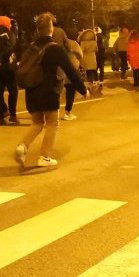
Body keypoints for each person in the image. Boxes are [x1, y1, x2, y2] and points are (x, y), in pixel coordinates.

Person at [13, 13, 87, 170]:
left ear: (37, 30)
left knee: (37, 123)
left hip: (31, 91)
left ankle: (22, 146)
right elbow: (71, 71)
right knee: (52, 124)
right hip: (49, 92)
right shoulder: (55, 49)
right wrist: (83, 89)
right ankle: (44, 156)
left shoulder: (31, 48)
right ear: (51, 29)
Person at [61, 32, 84, 120]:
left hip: (59, 70)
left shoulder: (58, 43)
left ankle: (47, 114)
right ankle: (67, 112)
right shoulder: (73, 43)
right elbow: (80, 55)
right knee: (70, 91)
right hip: (71, 69)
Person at [78, 28, 100, 92]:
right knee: (93, 71)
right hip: (93, 57)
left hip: (86, 58)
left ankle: (90, 85)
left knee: (88, 72)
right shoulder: (94, 42)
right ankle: (94, 84)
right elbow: (96, 50)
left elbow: (81, 51)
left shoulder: (83, 43)